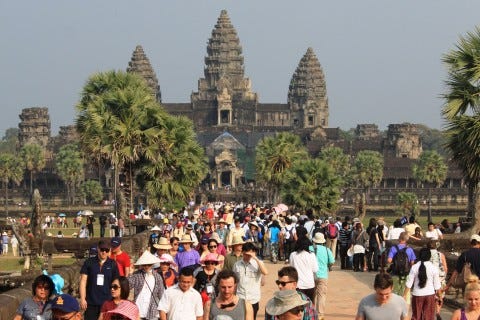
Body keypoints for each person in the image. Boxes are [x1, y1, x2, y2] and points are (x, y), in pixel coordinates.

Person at [80, 240, 120, 320]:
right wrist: (82, 298)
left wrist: (117, 299)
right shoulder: (89, 262)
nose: (104, 252)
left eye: (106, 250)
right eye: (102, 250)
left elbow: (116, 283)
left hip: (107, 302)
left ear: (109, 251)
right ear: (98, 249)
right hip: (91, 302)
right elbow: (83, 281)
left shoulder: (113, 264)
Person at [403, 247, 441, 320]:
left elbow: (409, 284)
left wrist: (404, 296)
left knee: (416, 316)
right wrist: (440, 297)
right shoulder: (434, 268)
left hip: (417, 295)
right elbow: (437, 286)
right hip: (430, 295)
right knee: (429, 317)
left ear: (419, 256)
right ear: (430, 256)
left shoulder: (414, 267)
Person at [233, 241, 268, 319]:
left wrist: (255, 258)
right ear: (242, 252)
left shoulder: (258, 263)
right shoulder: (237, 265)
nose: (248, 256)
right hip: (240, 297)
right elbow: (234, 281)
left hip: (253, 299)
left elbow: (265, 272)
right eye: (246, 254)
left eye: (250, 254)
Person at [129, 250, 165, 320]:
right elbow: (128, 286)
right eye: (144, 264)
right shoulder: (137, 275)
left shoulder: (157, 277)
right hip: (138, 309)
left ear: (152, 264)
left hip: (152, 310)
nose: (146, 266)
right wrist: (130, 274)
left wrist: (163, 311)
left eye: (149, 264)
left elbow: (161, 295)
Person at [312, 232, 334, 319]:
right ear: (323, 241)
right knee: (321, 296)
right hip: (323, 275)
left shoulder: (310, 248)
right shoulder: (326, 250)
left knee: (311, 296)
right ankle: (320, 315)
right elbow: (332, 261)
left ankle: (311, 312)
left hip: (312, 275)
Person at [288, 237, 318, 302]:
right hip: (310, 284)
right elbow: (315, 269)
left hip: (298, 285)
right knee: (309, 308)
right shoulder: (312, 255)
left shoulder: (293, 255)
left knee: (297, 307)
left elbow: (291, 269)